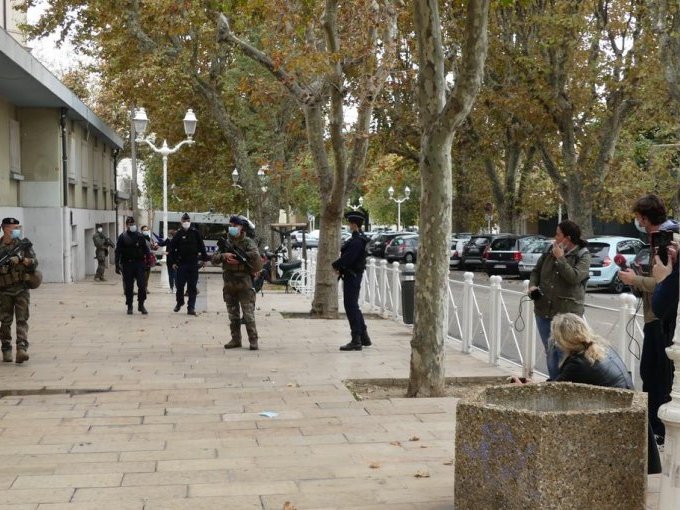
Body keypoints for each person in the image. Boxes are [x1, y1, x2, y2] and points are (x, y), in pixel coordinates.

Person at [549, 313, 661, 474]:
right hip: (630, 417)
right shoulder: (601, 348)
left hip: (617, 424)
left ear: (562, 340)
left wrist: (525, 388)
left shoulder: (579, 363)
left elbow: (553, 393)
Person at [618, 194, 678, 447]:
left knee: (658, 377)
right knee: (651, 374)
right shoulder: (659, 239)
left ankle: (658, 431)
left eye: (638, 217)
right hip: (655, 315)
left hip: (662, 318)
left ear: (644, 217)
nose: (637, 222)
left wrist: (635, 281)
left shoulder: (669, 240)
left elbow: (667, 282)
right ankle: (655, 429)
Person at [528, 220, 591, 379]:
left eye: (558, 234)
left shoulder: (583, 255)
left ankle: (564, 386)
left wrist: (561, 259)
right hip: (543, 310)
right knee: (550, 351)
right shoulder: (550, 250)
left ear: (567, 238)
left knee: (565, 352)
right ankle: (554, 385)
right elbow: (536, 271)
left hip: (567, 315)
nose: (554, 238)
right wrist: (532, 286)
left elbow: (574, 278)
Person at [212, 215, 262, 350]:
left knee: (248, 314)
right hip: (229, 282)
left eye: (235, 226)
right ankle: (235, 339)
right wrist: (224, 256)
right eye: (231, 225)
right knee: (233, 314)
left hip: (244, 282)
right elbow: (213, 259)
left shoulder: (247, 242)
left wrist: (239, 260)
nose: (233, 228)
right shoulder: (224, 242)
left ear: (241, 227)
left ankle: (253, 340)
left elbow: (255, 255)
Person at [0, 217, 38, 363]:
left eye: (18, 227)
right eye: (13, 228)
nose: (16, 230)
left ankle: (21, 349)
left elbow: (35, 263)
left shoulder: (23, 245)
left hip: (21, 288)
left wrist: (22, 260)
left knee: (22, 319)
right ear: (4, 228)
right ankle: (6, 348)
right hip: (4, 290)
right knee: (5, 321)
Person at [333, 210, 371, 351]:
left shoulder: (357, 241)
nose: (348, 225)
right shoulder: (358, 238)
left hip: (353, 276)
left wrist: (336, 265)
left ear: (354, 225)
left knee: (351, 307)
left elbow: (349, 258)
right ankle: (364, 336)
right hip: (352, 275)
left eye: (350, 223)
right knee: (354, 306)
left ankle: (356, 339)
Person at [169, 213, 208, 316]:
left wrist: (204, 259)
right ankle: (179, 302)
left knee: (192, 287)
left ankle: (191, 308)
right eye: (184, 220)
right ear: (181, 222)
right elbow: (171, 249)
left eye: (187, 220)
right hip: (181, 264)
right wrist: (173, 262)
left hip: (193, 264)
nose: (186, 222)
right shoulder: (178, 234)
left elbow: (202, 246)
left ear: (190, 221)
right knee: (179, 286)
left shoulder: (196, 233)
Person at [114, 216, 150, 315]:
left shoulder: (140, 236)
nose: (132, 226)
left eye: (133, 224)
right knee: (129, 287)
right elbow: (118, 252)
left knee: (142, 286)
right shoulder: (123, 237)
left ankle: (141, 305)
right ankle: (129, 305)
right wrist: (117, 264)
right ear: (127, 225)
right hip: (127, 264)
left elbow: (146, 249)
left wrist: (148, 261)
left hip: (139, 264)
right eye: (130, 224)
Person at [156, 229, 177, 293]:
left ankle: (176, 288)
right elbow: (163, 243)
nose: (168, 235)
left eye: (170, 234)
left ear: (173, 235)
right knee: (170, 275)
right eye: (168, 234)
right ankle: (171, 288)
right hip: (169, 260)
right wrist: (157, 244)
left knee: (175, 275)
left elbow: (176, 250)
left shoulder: (176, 241)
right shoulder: (168, 240)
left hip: (175, 261)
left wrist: (168, 253)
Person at [140, 225, 158, 293]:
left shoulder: (150, 239)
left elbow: (153, 247)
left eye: (147, 230)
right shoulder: (140, 238)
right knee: (143, 275)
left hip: (149, 259)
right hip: (142, 258)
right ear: (141, 231)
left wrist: (155, 247)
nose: (146, 231)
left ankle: (145, 287)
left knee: (147, 274)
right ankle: (142, 288)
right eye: (144, 230)